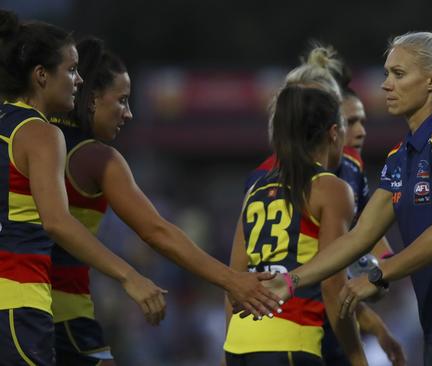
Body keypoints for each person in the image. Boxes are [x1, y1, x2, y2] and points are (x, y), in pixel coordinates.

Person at [261, 31, 432, 365]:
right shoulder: (402, 157)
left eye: (398, 74)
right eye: (387, 73)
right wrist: (291, 280)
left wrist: (378, 275)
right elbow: (358, 236)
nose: (386, 84)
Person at [45, 37, 283, 365]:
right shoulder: (96, 158)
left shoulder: (31, 136)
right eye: (122, 101)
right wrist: (232, 280)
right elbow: (156, 231)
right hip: (61, 309)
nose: (128, 114)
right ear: (93, 96)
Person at [0, 11, 165, 366]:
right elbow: (57, 222)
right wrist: (129, 276)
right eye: (71, 70)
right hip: (18, 303)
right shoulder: (41, 134)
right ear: (41, 75)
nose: (79, 80)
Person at [243, 45, 405, 365]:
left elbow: (365, 240)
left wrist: (377, 292)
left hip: (320, 322)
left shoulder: (350, 166)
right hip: (298, 327)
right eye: (351, 121)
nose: (359, 132)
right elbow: (328, 282)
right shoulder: (269, 177)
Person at [224, 85, 367, 365]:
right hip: (291, 341)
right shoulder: (332, 189)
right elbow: (333, 286)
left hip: (239, 345)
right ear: (334, 134)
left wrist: (228, 349)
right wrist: (358, 357)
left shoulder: (256, 190)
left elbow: (233, 279)